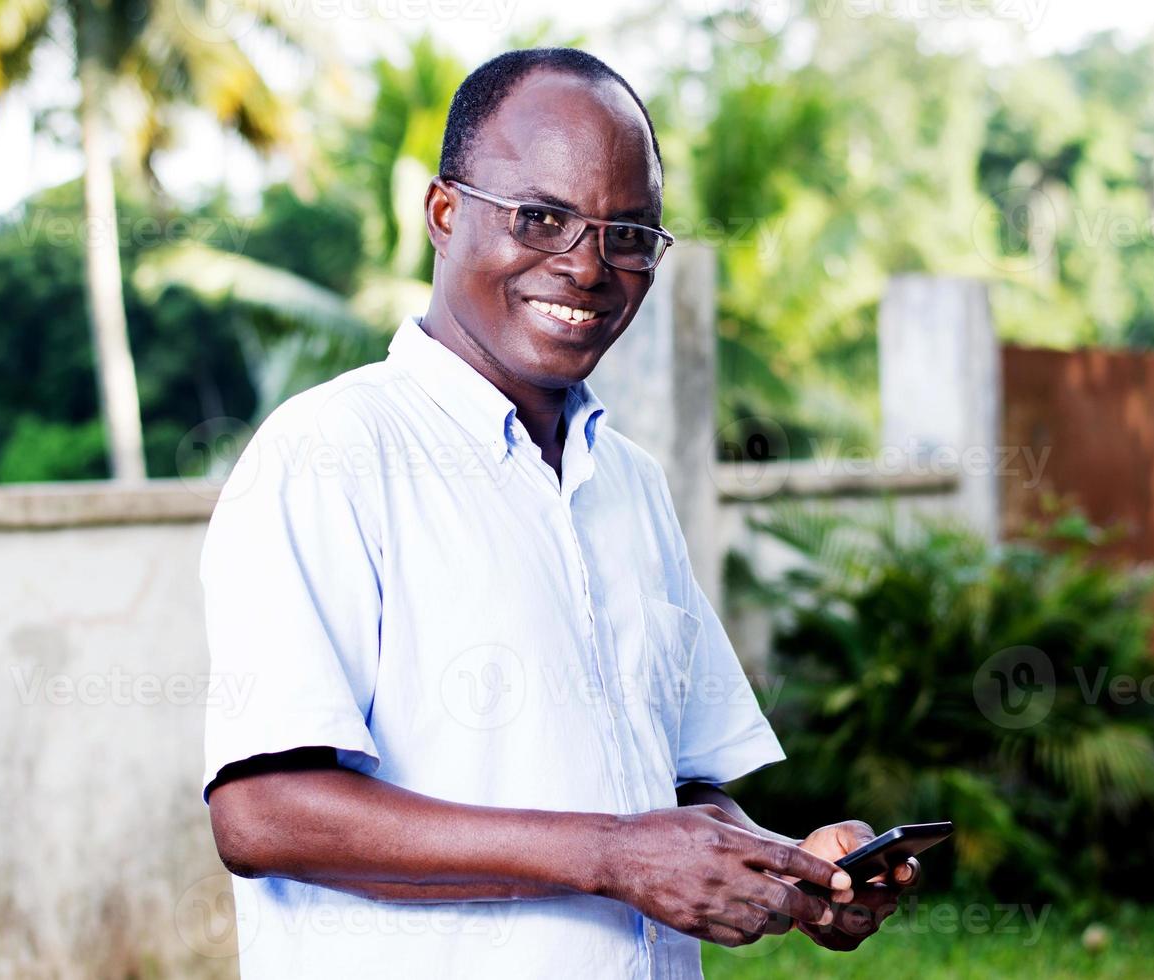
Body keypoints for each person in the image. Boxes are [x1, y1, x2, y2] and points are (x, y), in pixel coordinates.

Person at [199, 47, 917, 979]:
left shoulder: (630, 484)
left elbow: (675, 794)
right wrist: (612, 856)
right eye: (542, 218)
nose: (586, 267)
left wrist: (794, 870)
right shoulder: (328, 454)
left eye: (628, 233)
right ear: (444, 214)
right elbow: (262, 812)